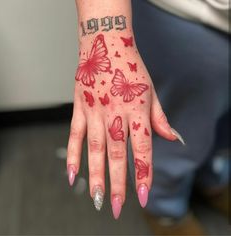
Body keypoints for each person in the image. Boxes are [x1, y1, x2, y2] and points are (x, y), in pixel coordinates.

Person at [67, 0, 229, 235]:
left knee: (220, 118)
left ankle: (214, 176)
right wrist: (104, 28)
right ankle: (165, 210)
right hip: (182, 14)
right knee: (174, 130)